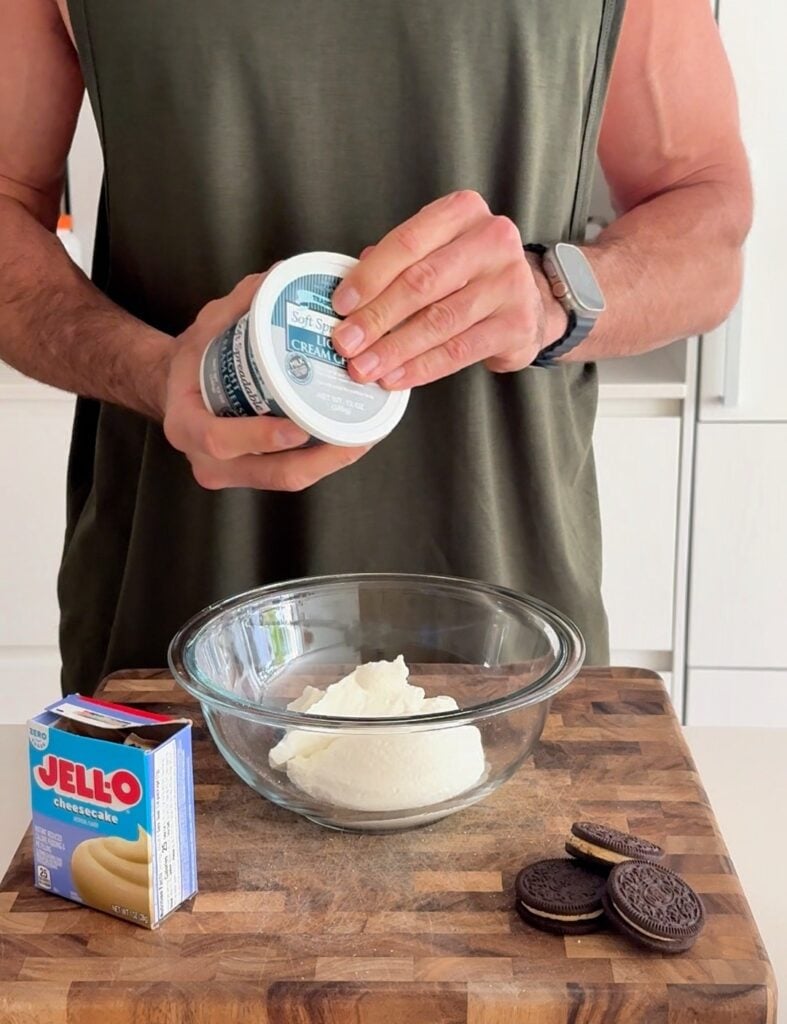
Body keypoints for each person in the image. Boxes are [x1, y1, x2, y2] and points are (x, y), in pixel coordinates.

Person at [0, 0, 751, 695]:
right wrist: (153, 373)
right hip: (170, 623)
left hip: (510, 631)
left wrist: (548, 294)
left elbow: (705, 219)